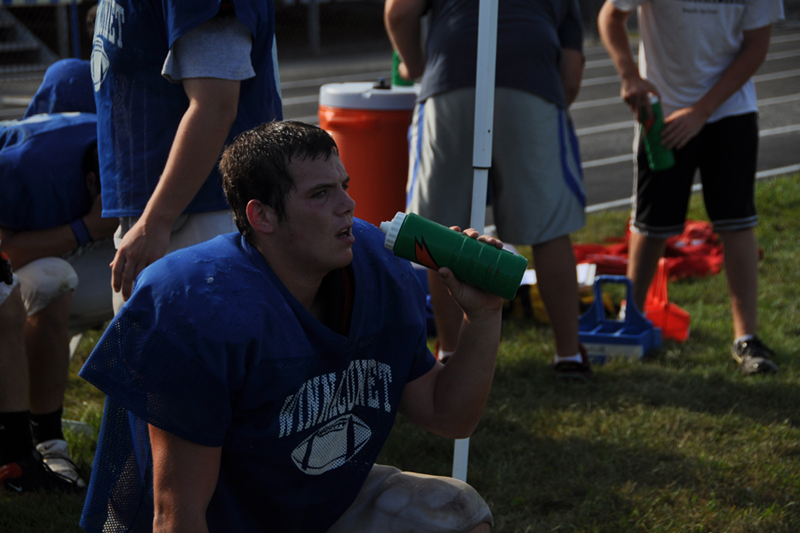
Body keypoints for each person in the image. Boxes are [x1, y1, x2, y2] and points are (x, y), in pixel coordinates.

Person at [79, 121, 502, 532]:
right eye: (320, 194)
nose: (347, 205)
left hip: (317, 501)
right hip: (225, 517)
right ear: (262, 216)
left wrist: (481, 317)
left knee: (458, 512)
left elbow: (450, 416)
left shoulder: (375, 269)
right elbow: (177, 514)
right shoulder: (194, 306)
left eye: (344, 186)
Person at [385, 0, 591, 378]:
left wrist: (414, 65)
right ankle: (568, 356)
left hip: (450, 79)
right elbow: (571, 75)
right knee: (549, 232)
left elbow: (399, 12)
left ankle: (449, 351)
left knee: (438, 231)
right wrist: (541, 100)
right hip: (533, 82)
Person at [597, 0, 784, 373]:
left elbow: (756, 46)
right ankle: (629, 316)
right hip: (662, 111)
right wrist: (628, 74)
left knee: (737, 220)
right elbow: (611, 15)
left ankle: (747, 338)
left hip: (730, 108)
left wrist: (702, 111)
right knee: (651, 224)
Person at [90, 0, 283, 310]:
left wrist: (156, 220)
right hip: (170, 211)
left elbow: (216, 106)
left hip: (199, 213)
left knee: (195, 351)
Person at [0, 113, 118, 493]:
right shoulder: (22, 170)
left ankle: (48, 443)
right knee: (40, 284)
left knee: (56, 278)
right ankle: (20, 447)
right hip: (16, 249)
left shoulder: (114, 134)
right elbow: (3, 254)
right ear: (89, 183)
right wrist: (84, 228)